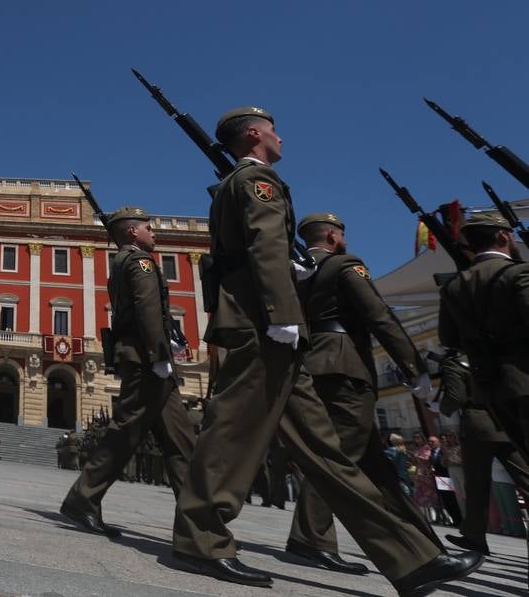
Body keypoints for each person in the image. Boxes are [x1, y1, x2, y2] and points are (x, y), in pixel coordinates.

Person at [169, 107, 482, 593]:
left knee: (326, 449)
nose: (280, 135)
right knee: (232, 430)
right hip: (264, 324)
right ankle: (200, 538)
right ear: (254, 134)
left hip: (271, 327)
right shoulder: (257, 182)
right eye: (272, 128)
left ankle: (411, 557)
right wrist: (285, 314)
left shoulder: (245, 181)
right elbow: (266, 247)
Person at [283, 211, 440, 573]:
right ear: (334, 237)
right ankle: (309, 536)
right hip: (345, 364)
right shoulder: (345, 265)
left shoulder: (294, 272)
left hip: (310, 363)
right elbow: (378, 315)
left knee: (374, 464)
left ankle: (424, 543)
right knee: (342, 456)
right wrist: (411, 364)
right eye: (343, 235)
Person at [60, 207, 197, 539]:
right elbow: (148, 308)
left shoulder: (120, 263)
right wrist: (160, 355)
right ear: (133, 232)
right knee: (126, 432)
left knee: (181, 442)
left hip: (141, 357)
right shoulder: (140, 262)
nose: (155, 232)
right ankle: (83, 498)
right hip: (147, 359)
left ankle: (197, 518)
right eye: (149, 228)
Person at [438, 349, 529, 554]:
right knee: (525, 475)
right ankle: (473, 535)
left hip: (478, 426)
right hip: (505, 422)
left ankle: (475, 536)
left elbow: (456, 396)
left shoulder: (454, 363)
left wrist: (439, 407)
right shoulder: (493, 356)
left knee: (477, 482)